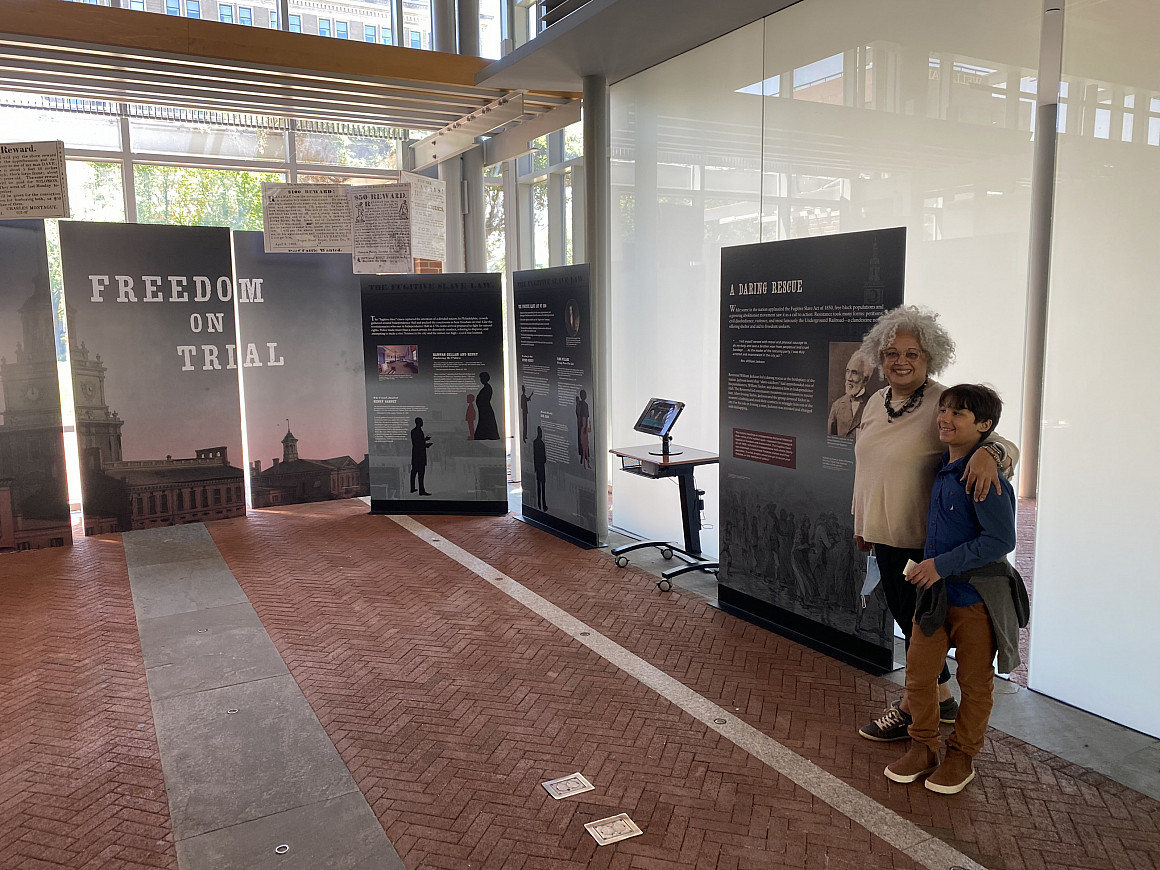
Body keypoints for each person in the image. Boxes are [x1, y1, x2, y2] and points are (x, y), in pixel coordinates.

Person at [852, 305, 1017, 742]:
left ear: (930, 358)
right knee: (910, 623)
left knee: (920, 629)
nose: (900, 361)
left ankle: (914, 706)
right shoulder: (874, 401)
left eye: (912, 353)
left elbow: (1003, 442)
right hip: (884, 534)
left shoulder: (943, 403)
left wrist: (990, 453)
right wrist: (861, 516)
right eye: (891, 353)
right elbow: (865, 465)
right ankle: (939, 702)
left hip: (924, 545)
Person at [884, 384, 1027, 794]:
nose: (945, 418)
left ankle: (962, 755)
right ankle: (923, 747)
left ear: (985, 426)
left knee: (975, 682)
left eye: (959, 413)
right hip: (934, 597)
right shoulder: (943, 469)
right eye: (943, 410)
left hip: (975, 600)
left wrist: (940, 565)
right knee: (919, 674)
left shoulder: (986, 474)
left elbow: (1001, 540)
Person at [827, 351, 873, 438]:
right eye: (847, 371)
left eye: (854, 373)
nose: (849, 378)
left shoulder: (873, 404)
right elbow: (829, 439)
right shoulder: (837, 406)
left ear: (865, 379)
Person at [473, 372, 501, 440]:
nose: (481, 380)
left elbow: (485, 399)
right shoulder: (486, 387)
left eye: (481, 378)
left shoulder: (487, 388)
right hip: (484, 409)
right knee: (485, 422)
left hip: (485, 409)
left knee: (487, 422)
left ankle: (487, 435)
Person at [409, 417, 432, 496]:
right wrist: (426, 445)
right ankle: (421, 490)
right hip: (419, 456)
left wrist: (425, 440)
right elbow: (417, 444)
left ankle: (413, 488)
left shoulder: (414, 431)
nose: (422, 423)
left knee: (415, 472)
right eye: (421, 421)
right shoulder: (416, 432)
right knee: (420, 473)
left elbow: (418, 442)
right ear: (418, 422)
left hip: (417, 455)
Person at [575, 389, 591, 468]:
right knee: (581, 442)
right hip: (580, 425)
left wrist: (586, 426)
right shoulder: (580, 404)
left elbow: (587, 416)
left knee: (585, 443)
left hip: (583, 426)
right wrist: (577, 404)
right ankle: (582, 457)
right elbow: (577, 413)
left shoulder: (586, 405)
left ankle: (586, 458)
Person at [532, 426, 548, 511]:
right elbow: (543, 457)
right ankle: (542, 504)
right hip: (541, 466)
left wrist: (535, 467)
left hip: (538, 467)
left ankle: (539, 504)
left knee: (539, 485)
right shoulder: (541, 443)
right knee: (542, 485)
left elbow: (535, 456)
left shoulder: (535, 442)